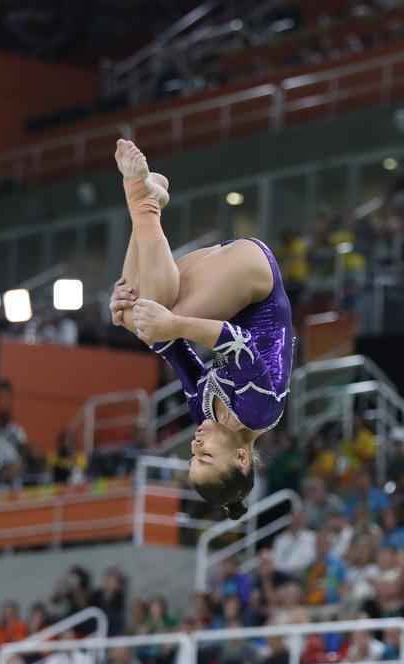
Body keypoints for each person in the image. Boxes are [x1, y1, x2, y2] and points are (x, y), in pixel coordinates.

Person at [110, 140, 295, 519]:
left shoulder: (205, 411)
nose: (195, 444)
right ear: (242, 458)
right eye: (206, 455)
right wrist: (165, 324)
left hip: (222, 281)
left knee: (144, 310)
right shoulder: (259, 413)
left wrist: (124, 316)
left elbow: (172, 350)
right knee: (158, 319)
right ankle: (141, 200)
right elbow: (235, 341)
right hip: (255, 277)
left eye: (193, 455)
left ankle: (149, 203)